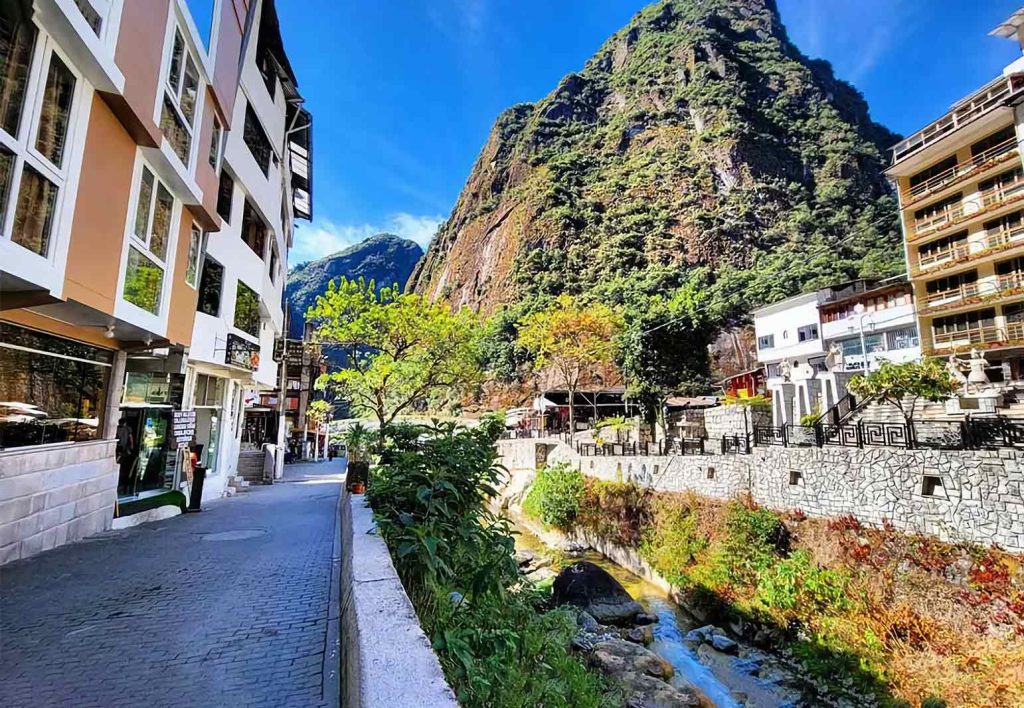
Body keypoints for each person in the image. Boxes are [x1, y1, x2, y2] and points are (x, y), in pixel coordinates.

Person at [115, 417, 136, 494]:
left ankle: (124, 486)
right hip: (121, 449)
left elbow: (130, 438)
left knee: (124, 466)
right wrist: (131, 446)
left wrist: (131, 447)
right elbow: (130, 438)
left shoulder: (125, 429)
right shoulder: (126, 429)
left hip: (123, 449)